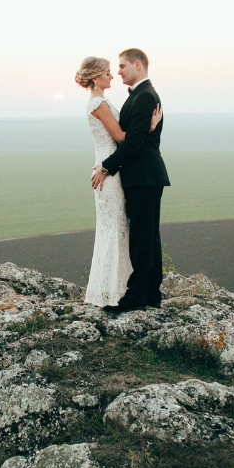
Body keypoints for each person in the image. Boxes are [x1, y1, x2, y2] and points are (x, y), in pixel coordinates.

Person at [78, 54, 162, 308]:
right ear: (95, 77)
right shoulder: (99, 103)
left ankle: (123, 290)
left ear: (137, 65)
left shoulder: (132, 96)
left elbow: (127, 137)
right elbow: (122, 136)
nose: (114, 74)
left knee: (125, 230)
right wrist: (146, 129)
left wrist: (142, 133)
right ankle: (115, 290)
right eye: (108, 72)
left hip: (114, 167)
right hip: (109, 169)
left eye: (120, 67)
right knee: (118, 229)